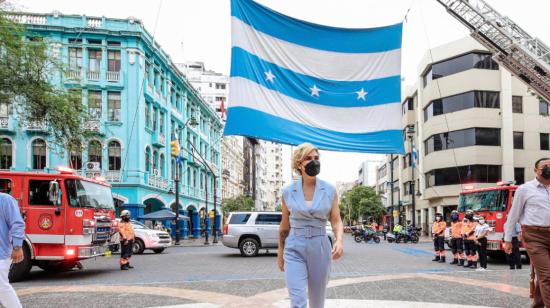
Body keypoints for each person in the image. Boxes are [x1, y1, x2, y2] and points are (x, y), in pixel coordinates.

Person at [277, 143, 344, 308]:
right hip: (294, 247)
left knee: (316, 301)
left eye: (316, 158)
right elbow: (284, 226)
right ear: (299, 164)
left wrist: (339, 240)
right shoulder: (287, 191)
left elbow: (336, 220)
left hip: (320, 246)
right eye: (308, 158)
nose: (314, 162)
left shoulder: (329, 190)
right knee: (298, 302)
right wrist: (280, 251)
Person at [504, 158, 550, 307]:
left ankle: (537, 305)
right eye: (545, 166)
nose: (548, 168)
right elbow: (513, 215)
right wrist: (508, 239)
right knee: (547, 276)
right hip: (534, 236)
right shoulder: (524, 189)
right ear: (536, 170)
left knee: (545, 276)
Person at [0, 193, 25, 308]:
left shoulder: (5, 199)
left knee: (1, 287)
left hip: (1, 253)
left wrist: (17, 246)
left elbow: (17, 223)